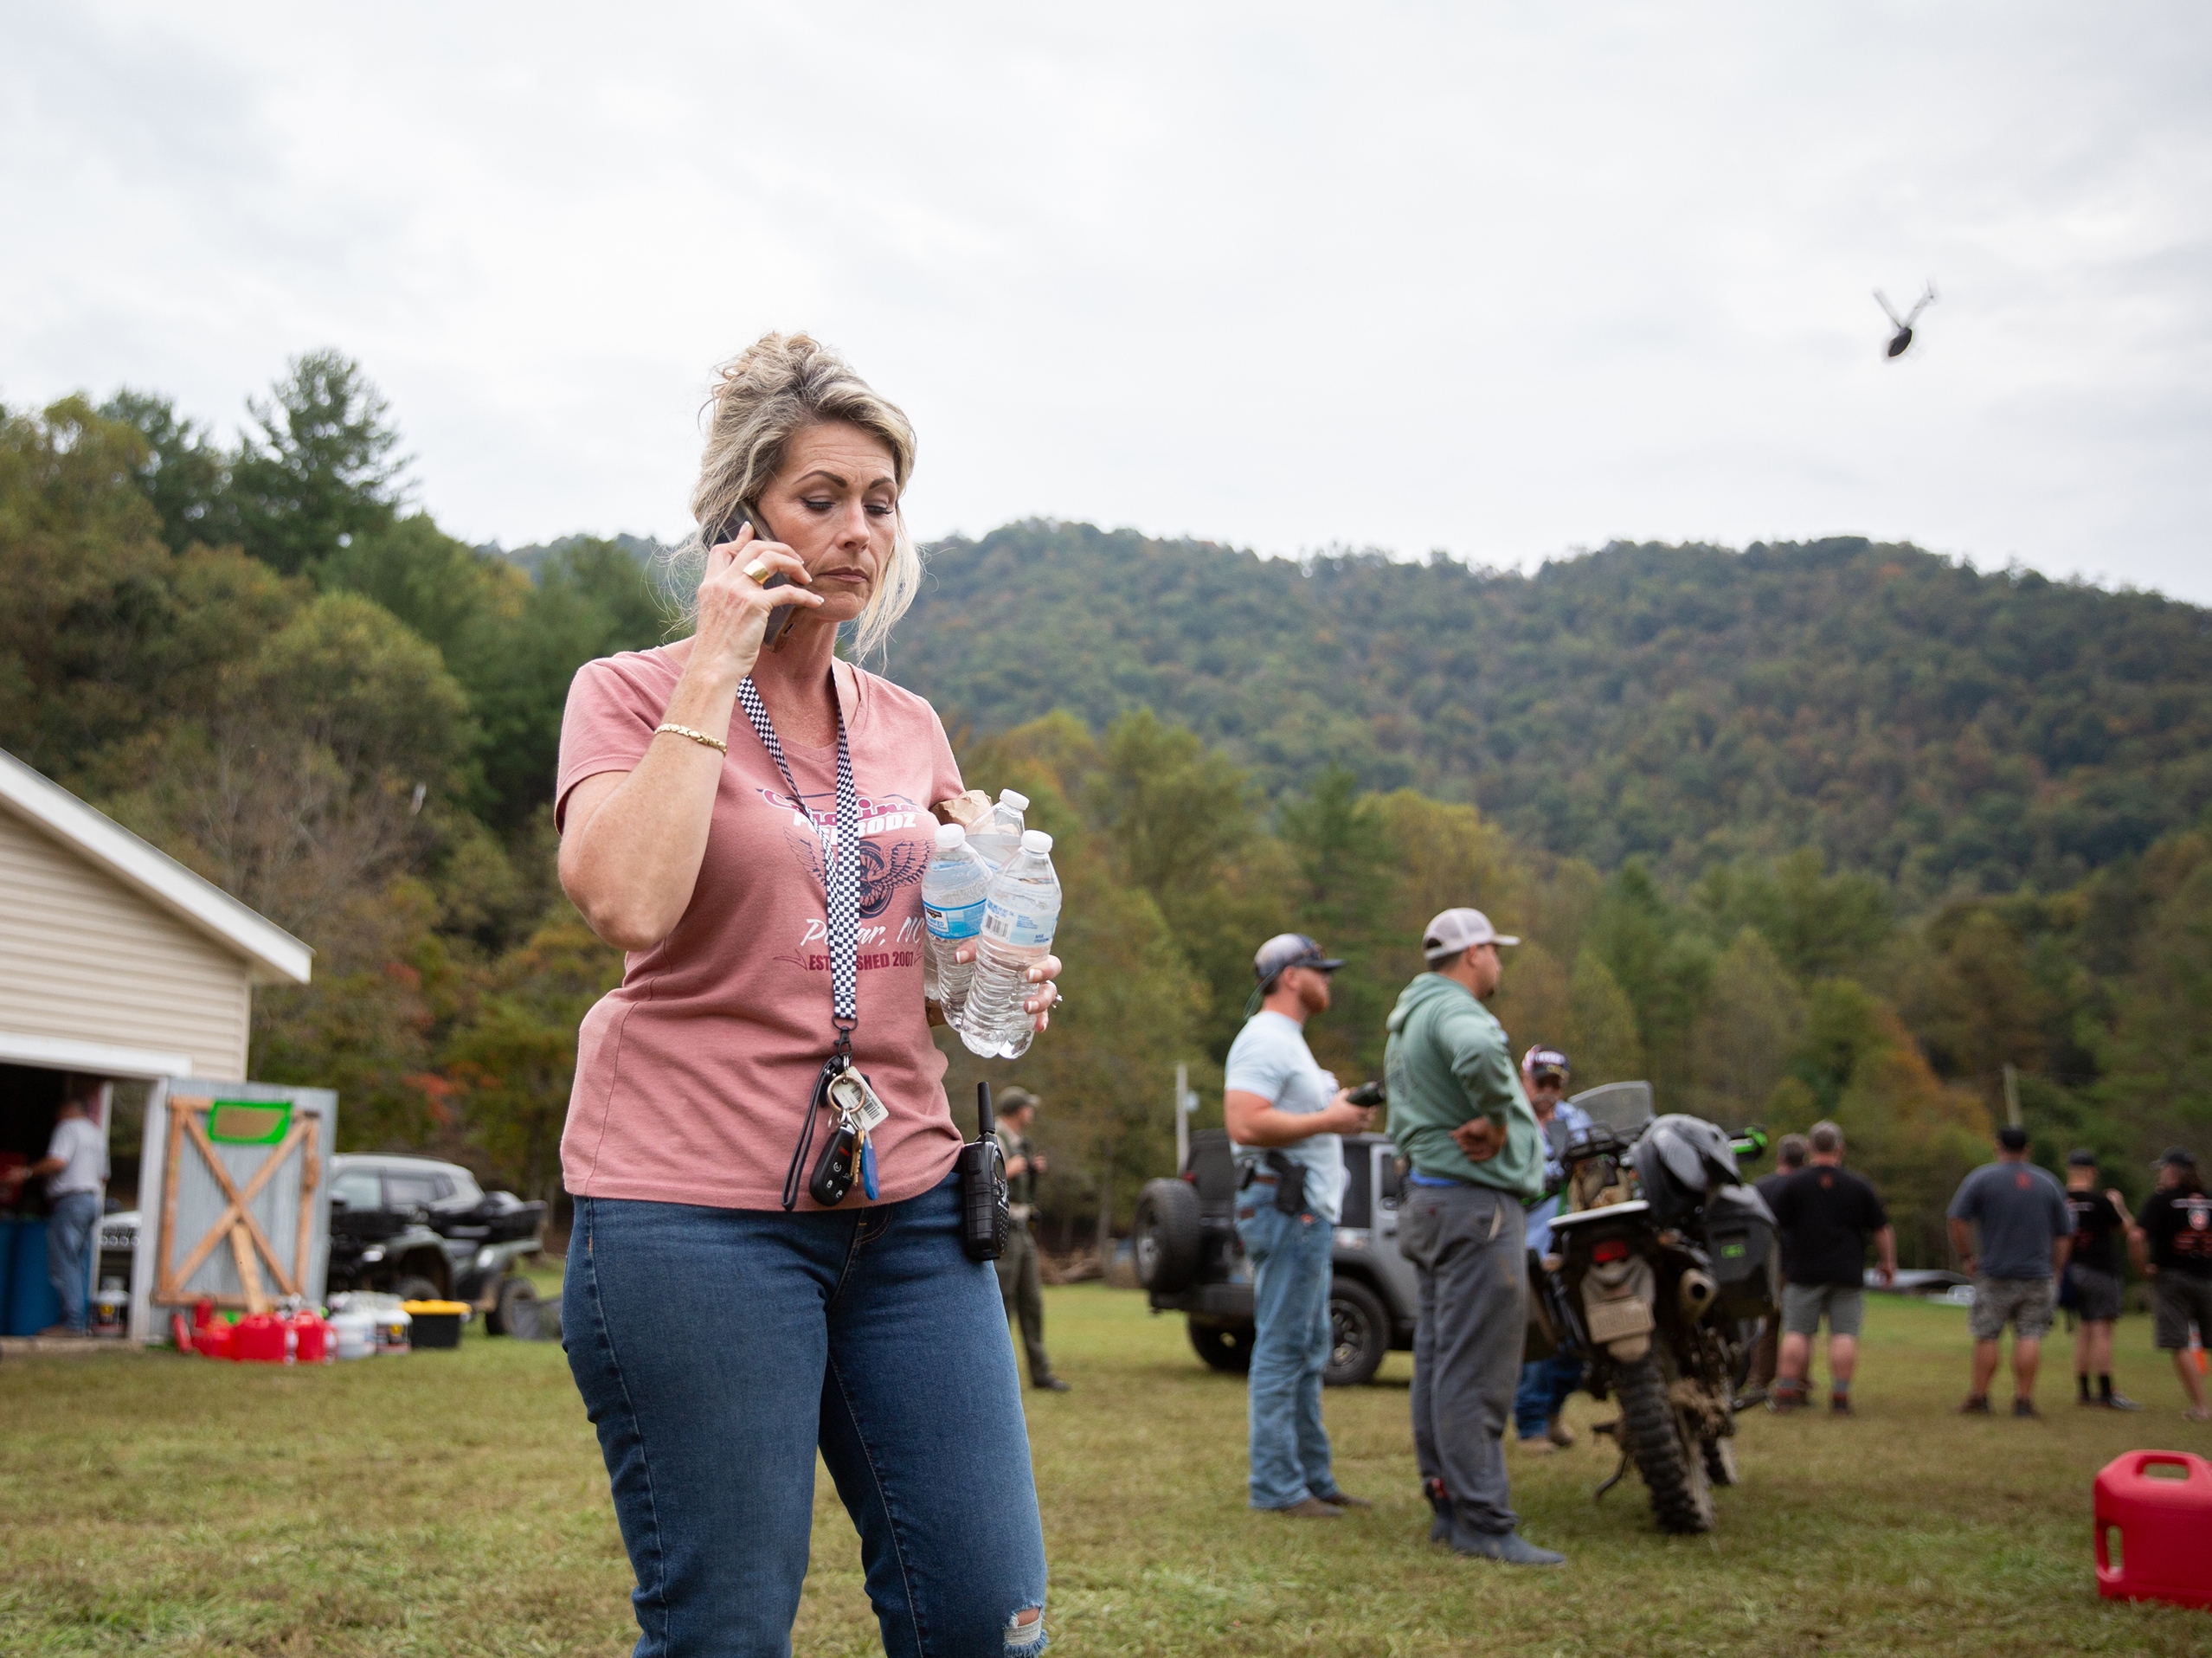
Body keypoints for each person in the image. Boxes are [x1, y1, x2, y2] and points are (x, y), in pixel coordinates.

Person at [553, 333, 1061, 1658]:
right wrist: (713, 673)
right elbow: (629, 904)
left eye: (879, 503)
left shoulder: (910, 723)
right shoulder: (626, 697)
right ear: (743, 520)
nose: (856, 531)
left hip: (907, 1211)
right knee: (724, 1628)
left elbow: (928, 957)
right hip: (690, 1219)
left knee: (987, 1616)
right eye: (819, 498)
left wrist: (996, 970)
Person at [1385, 908, 1557, 1567]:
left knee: (1437, 1363)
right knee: (1476, 1370)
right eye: (1495, 951)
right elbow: (1482, 1052)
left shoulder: (1410, 1012)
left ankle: (1450, 1509)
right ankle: (1484, 1521)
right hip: (1474, 1206)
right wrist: (1494, 1116)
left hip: (1435, 1201)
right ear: (1475, 954)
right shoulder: (1459, 1012)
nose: (1498, 963)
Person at [1223, 934, 1376, 1520]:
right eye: (1320, 970)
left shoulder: (1286, 1043)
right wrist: (1330, 1117)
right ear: (1291, 976)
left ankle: (1311, 1478)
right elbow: (1243, 1122)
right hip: (1287, 1212)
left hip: (1298, 1214)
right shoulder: (1265, 1038)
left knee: (1310, 1345)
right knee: (1285, 1346)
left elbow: (1286, 1117)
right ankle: (1277, 1487)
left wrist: (1329, 1110)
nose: (1329, 979)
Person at [1766, 1121, 1895, 1415]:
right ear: (1840, 1148)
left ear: (1810, 1147)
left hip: (1802, 1271)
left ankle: (1786, 1392)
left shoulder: (1793, 1184)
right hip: (1846, 1271)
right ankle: (1840, 1396)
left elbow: (1772, 1228)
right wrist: (1887, 1262)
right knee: (1843, 1335)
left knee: (1797, 1332)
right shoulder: (1858, 1184)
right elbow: (1881, 1228)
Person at [1946, 1126, 2073, 1418]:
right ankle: (2023, 1400)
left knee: (1987, 1334)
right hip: (2037, 1274)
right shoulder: (2048, 1183)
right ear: (2027, 1149)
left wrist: (1967, 1255)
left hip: (1995, 1272)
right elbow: (2065, 1234)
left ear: (1997, 1146)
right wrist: (2056, 1267)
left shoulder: (1981, 1178)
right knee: (2030, 1335)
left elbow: (1956, 1218)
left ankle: (1980, 1396)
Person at [1512, 1046, 1590, 1454]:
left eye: (1556, 1084)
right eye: (1541, 1082)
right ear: (1524, 1080)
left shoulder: (1577, 1121)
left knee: (1576, 1343)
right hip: (1527, 1248)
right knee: (1537, 1341)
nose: (1549, 1092)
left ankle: (1555, 1410)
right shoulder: (1508, 1119)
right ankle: (1531, 1426)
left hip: (1573, 1249)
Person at [0, 1076, 107, 1337]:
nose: (57, 1118)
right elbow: (104, 1175)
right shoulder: (96, 1133)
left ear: (69, 1110)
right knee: (79, 1262)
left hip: (70, 1202)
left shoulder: (68, 1128)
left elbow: (58, 1161)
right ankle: (78, 1319)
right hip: (91, 1201)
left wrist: (25, 1173)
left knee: (65, 1261)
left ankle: (71, 1324)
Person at [993, 1088, 1068, 1391]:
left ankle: (1040, 1372)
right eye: (1028, 1107)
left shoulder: (1020, 1142)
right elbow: (986, 1176)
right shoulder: (995, 1138)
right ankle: (998, 1376)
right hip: (1004, 1230)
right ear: (1017, 1110)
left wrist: (1032, 1169)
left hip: (1024, 1229)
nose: (1032, 1112)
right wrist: (1011, 1169)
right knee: (1004, 1301)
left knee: (1032, 1302)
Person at [2130, 1147, 2212, 1422]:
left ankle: (2201, 1407)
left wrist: (2143, 1270)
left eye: (2162, 1169)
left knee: (2179, 1342)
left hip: (2172, 1278)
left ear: (2172, 1171)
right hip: (2208, 1278)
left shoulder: (2162, 1200)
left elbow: (2136, 1236)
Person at [2062, 1149, 2142, 1411]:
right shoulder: (2100, 1201)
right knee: (2102, 1331)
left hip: (2072, 1271)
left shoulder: (2061, 1199)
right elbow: (2127, 1229)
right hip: (2099, 1270)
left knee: (2085, 1331)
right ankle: (2107, 1391)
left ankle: (2084, 1391)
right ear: (2092, 1171)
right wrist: (2118, 1203)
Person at [1746, 1134, 1810, 1392]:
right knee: (1800, 1328)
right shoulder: (1807, 1187)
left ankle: (1760, 1380)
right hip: (1799, 1266)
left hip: (1765, 1266)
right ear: (1804, 1159)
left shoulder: (1759, 1187)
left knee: (1767, 1327)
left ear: (1779, 1157)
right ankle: (1799, 1383)